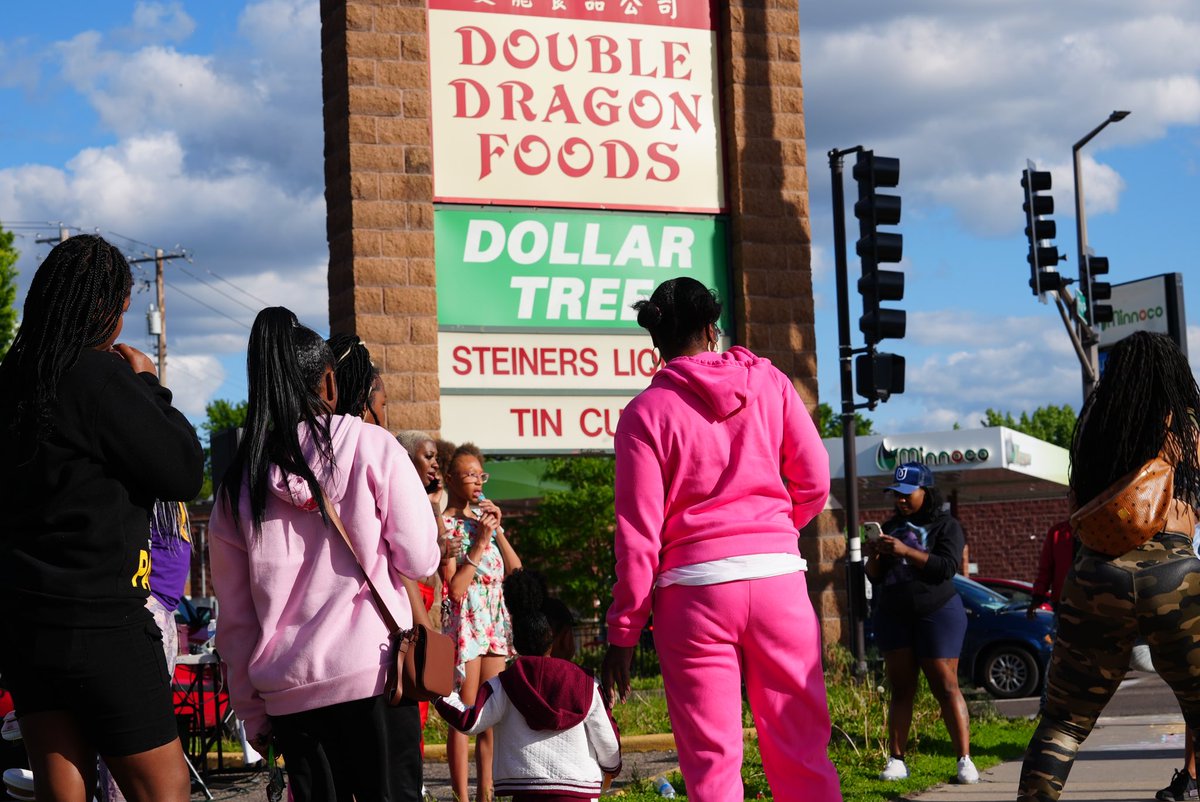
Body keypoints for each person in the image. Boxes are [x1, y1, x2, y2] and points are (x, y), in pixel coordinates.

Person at [599, 277, 841, 802]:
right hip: (777, 579)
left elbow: (638, 538)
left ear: (655, 342)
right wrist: (772, 531)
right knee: (801, 749)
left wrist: (622, 634)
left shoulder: (644, 414)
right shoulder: (770, 383)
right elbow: (815, 478)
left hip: (693, 592)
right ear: (713, 328)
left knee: (711, 763)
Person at [0, 235, 204, 802]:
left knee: (60, 792)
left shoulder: (11, 381)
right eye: (120, 309)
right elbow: (183, 470)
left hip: (25, 626)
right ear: (104, 313)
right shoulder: (98, 377)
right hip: (103, 625)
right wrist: (147, 386)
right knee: (162, 793)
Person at [210, 308, 440, 802]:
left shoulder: (237, 488)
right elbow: (421, 559)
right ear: (329, 384)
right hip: (376, 676)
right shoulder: (371, 444)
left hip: (290, 695)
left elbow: (236, 621)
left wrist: (252, 714)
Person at [1018, 331, 1200, 802]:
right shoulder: (1186, 426)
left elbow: (1076, 502)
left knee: (1063, 721)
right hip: (1174, 574)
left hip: (1095, 575)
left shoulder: (1096, 426)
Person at [436, 569, 620, 802]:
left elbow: (470, 721)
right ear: (562, 637)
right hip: (578, 792)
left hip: (525, 792)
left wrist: (438, 693)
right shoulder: (587, 685)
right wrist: (612, 768)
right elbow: (607, 742)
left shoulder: (504, 684)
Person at [865, 462, 978, 785]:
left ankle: (964, 760)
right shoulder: (890, 527)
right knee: (902, 688)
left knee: (945, 684)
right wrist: (875, 553)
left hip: (937, 611)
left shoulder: (947, 525)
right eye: (895, 494)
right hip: (893, 612)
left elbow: (945, 567)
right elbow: (875, 575)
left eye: (906, 494)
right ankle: (896, 759)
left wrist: (904, 550)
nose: (900, 500)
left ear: (925, 492)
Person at [441, 443, 523, 802]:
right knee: (465, 710)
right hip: (466, 623)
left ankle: (485, 794)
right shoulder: (445, 525)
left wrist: (497, 530)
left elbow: (517, 572)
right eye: (468, 475)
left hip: (493, 622)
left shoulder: (485, 521)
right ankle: (462, 796)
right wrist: (481, 542)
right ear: (450, 479)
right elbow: (454, 588)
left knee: (491, 712)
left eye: (480, 475)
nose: (476, 481)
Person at [99, 502, 194, 802]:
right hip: (145, 606)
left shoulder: (163, 492)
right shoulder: (156, 488)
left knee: (128, 736)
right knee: (127, 736)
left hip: (153, 609)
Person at [1027, 519, 1075, 617]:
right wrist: (1037, 597)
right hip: (1064, 603)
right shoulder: (1058, 532)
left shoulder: (1102, 529)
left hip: (1095, 601)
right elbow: (1046, 569)